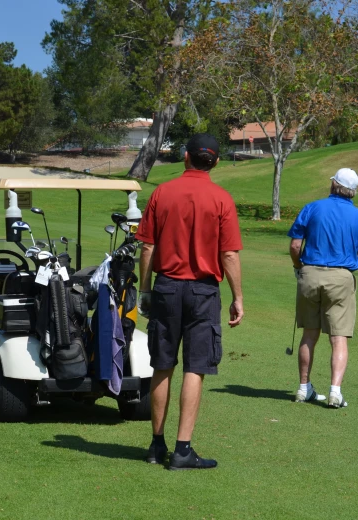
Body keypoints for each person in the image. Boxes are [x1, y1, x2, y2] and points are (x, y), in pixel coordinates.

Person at [136, 133, 244, 470]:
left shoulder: (163, 192)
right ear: (216, 162)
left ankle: (156, 446)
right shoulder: (221, 199)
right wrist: (238, 296)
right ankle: (182, 450)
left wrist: (145, 289)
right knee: (195, 367)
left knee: (162, 365)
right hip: (202, 292)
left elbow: (148, 247)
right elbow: (228, 254)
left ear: (186, 157)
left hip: (167, 287)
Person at [287, 168, 358, 409]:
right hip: (342, 277)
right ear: (353, 191)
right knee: (339, 338)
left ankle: (304, 388)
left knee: (309, 334)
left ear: (334, 184)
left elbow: (295, 246)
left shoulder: (312, 207)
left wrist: (298, 266)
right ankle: (335, 392)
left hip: (310, 274)